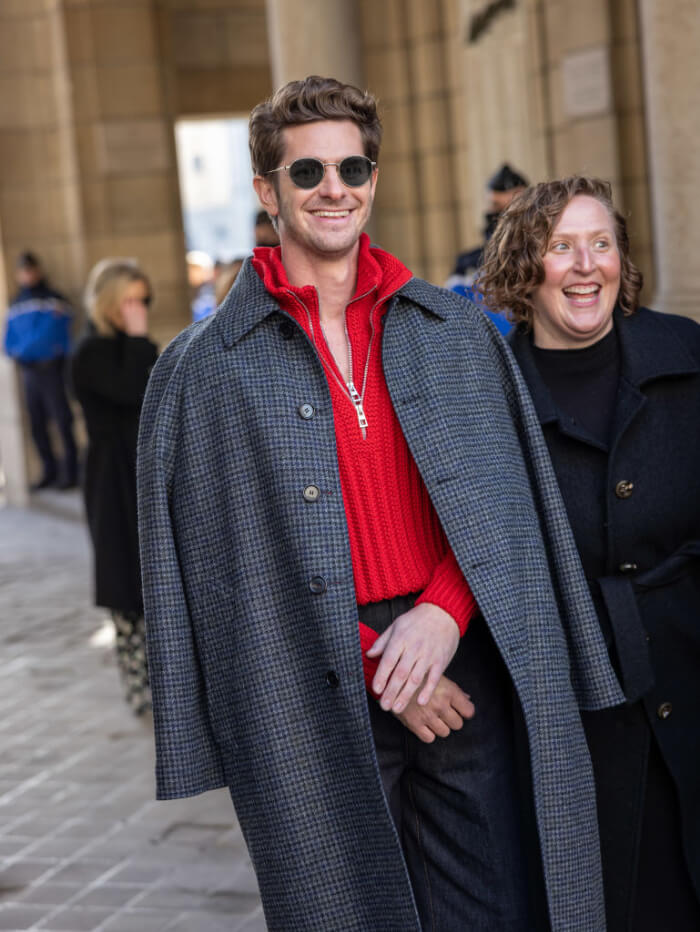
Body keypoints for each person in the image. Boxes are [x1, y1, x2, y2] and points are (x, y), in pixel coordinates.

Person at [137, 77, 624, 932]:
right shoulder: (203, 368)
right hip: (303, 680)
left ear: (374, 179)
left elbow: (507, 503)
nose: (334, 188)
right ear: (267, 192)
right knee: (343, 910)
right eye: (307, 171)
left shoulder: (453, 330)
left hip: (458, 659)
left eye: (352, 168)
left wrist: (440, 618)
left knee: (492, 909)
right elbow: (220, 573)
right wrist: (381, 666)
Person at [479, 175, 700, 930]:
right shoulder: (491, 395)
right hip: (574, 713)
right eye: (561, 247)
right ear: (522, 268)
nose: (585, 265)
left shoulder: (687, 353)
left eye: (600, 244)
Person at [72, 259, 158, 717]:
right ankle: (141, 690)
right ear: (110, 303)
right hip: (112, 482)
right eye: (131, 301)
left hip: (144, 473)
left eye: (144, 300)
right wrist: (140, 340)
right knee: (126, 586)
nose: (140, 309)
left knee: (159, 581)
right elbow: (130, 392)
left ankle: (172, 685)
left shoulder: (138, 348)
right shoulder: (90, 353)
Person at [3, 251, 78, 490]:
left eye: (30, 270)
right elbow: (8, 340)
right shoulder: (16, 303)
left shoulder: (54, 298)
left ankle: (71, 473)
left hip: (51, 369)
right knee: (37, 424)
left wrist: (25, 349)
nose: (27, 275)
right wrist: (21, 350)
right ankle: (49, 471)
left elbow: (48, 335)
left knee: (62, 421)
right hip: (29, 372)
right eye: (23, 271)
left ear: (38, 270)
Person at [447, 163, 528, 335]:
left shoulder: (542, 256)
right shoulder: (468, 264)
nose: (504, 217)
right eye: (496, 206)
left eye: (513, 208)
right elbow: (453, 316)